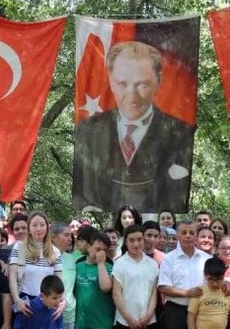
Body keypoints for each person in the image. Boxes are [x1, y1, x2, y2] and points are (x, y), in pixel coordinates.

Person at [72, 41, 195, 212]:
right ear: (111, 81)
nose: (132, 96)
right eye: (122, 84)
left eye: (143, 84)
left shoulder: (180, 133)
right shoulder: (88, 131)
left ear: (158, 82)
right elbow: (78, 192)